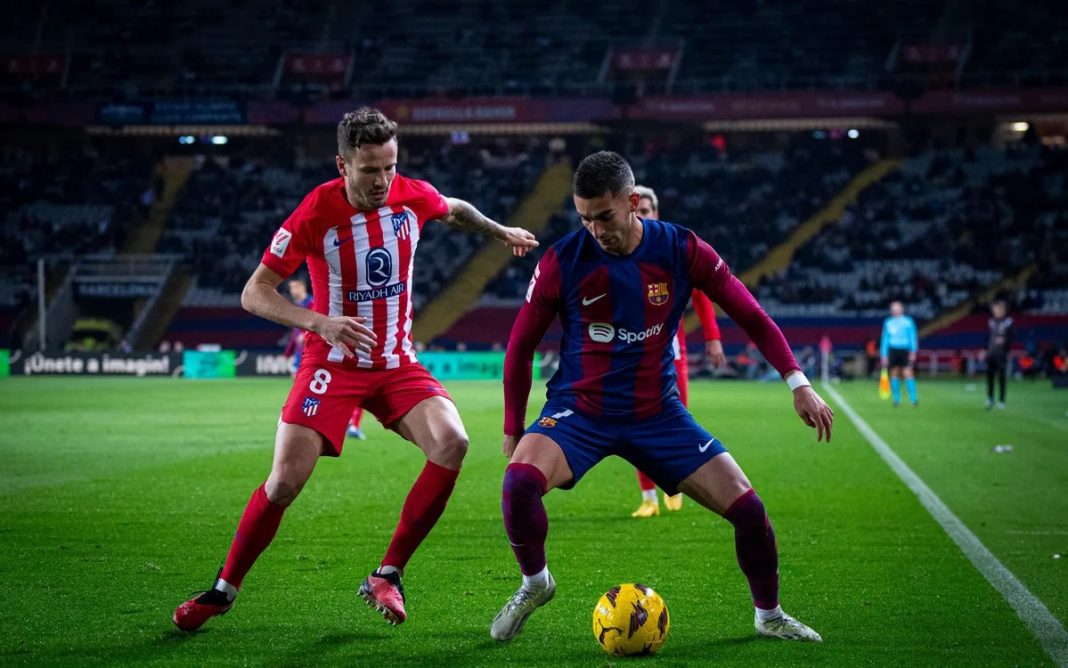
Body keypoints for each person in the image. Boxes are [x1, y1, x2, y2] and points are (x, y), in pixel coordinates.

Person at [173, 107, 538, 632]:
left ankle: (387, 574)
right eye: (370, 169)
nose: (383, 180)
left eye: (390, 166)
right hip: (332, 363)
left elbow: (454, 208)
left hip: (395, 363)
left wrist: (500, 229)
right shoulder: (315, 212)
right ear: (342, 165)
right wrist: (318, 322)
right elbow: (254, 292)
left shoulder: (410, 193)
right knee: (283, 484)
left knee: (453, 442)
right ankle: (222, 591)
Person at [492, 151, 833, 644]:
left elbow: (752, 315)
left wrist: (798, 383)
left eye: (604, 217)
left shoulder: (681, 248)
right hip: (580, 411)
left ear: (633, 202)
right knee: (518, 481)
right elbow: (520, 346)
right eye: (584, 218)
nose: (595, 230)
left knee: (750, 511)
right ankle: (535, 584)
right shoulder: (562, 260)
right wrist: (511, 426)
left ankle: (770, 615)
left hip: (657, 414)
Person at [630, 185, 725, 518]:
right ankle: (648, 498)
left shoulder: (671, 250)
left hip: (672, 352)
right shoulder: (617, 253)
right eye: (635, 210)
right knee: (635, 424)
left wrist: (712, 338)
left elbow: (700, 294)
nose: (639, 216)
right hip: (631, 354)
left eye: (645, 211)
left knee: (675, 421)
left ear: (655, 213)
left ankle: (676, 486)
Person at [285, 276, 368, 439]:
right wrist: (289, 352)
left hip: (320, 352)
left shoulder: (313, 304)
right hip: (301, 354)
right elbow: (295, 333)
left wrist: (305, 334)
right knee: (302, 388)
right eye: (291, 288)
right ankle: (307, 421)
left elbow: (323, 324)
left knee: (334, 388)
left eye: (295, 287)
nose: (292, 291)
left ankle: (348, 423)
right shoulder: (298, 306)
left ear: (302, 287)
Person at [880, 301, 919, 407]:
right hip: (893, 350)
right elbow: (885, 339)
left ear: (901, 309)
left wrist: (913, 351)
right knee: (894, 373)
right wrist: (884, 354)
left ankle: (913, 399)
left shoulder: (908, 322)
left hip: (905, 350)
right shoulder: (888, 322)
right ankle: (896, 399)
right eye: (893, 309)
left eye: (896, 308)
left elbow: (912, 337)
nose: (894, 311)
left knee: (908, 373)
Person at [985, 300, 1014, 410]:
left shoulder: (1008, 322)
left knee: (1001, 378)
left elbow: (1011, 338)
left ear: (1003, 310)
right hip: (991, 354)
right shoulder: (992, 322)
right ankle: (990, 398)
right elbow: (987, 337)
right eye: (994, 309)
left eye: (997, 308)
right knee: (990, 378)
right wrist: (985, 349)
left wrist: (1004, 344)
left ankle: (1001, 400)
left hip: (1001, 355)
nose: (995, 310)